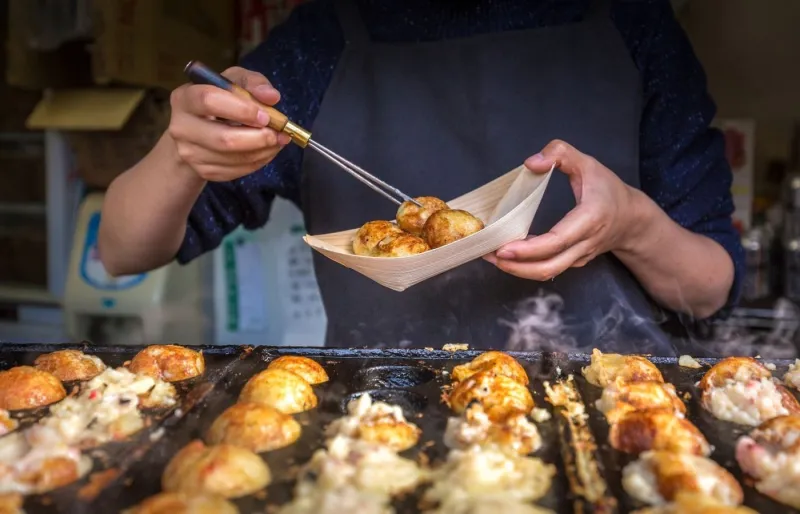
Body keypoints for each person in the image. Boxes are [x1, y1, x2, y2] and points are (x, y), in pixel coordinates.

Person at [98, 0, 744, 354]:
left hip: (611, 418)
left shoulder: (635, 25)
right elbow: (123, 250)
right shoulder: (322, 40)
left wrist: (631, 225)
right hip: (384, 422)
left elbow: (711, 290)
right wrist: (182, 153)